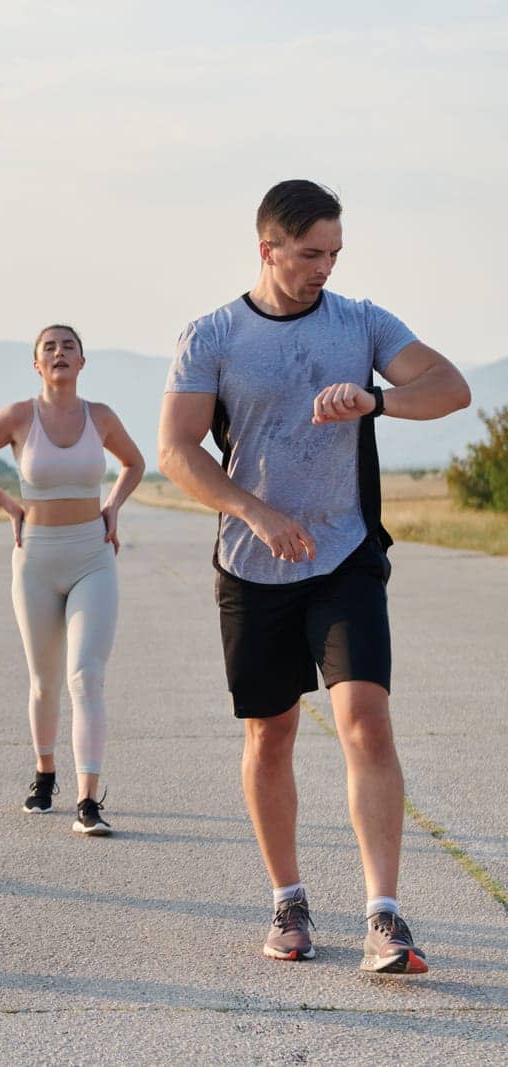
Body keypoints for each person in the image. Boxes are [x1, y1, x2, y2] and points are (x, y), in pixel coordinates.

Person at [159, 179, 470, 973]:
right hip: (253, 563)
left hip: (345, 556)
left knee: (365, 718)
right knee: (272, 734)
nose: (324, 267)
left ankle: (385, 917)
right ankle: (288, 898)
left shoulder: (361, 321)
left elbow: (449, 387)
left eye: (334, 252)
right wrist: (254, 511)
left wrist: (377, 400)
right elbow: (178, 452)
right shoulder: (214, 335)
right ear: (267, 248)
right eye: (309, 253)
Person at [0, 325, 144, 834]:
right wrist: (9, 507)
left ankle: (88, 801)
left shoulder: (99, 417)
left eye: (69, 346)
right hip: (35, 557)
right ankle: (44, 772)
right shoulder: (18, 416)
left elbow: (134, 463)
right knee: (44, 680)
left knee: (86, 674)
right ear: (37, 365)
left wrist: (113, 508)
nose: (60, 353)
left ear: (83, 362)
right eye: (49, 348)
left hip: (92, 556)